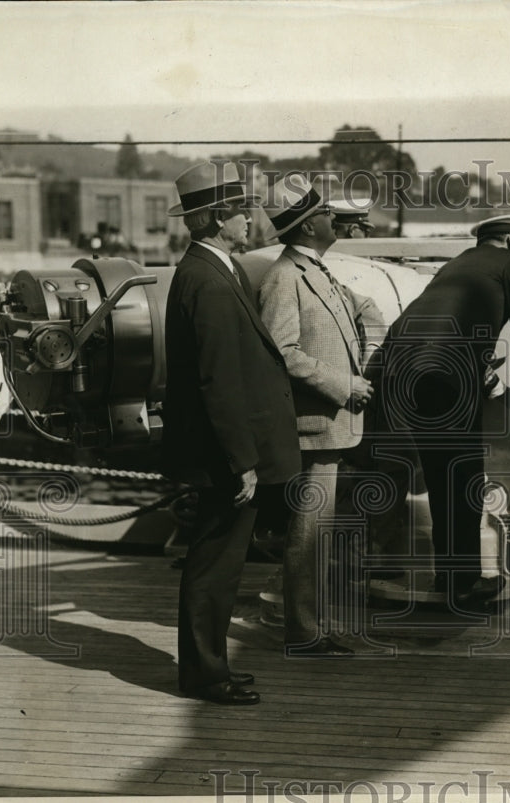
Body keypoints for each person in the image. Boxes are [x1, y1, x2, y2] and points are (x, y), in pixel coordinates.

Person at [379, 214, 510, 609]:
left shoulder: (457, 264)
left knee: (442, 483)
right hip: (447, 379)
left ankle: (449, 577)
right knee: (465, 481)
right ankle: (465, 585)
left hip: (405, 375)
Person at [163, 162, 301, 703]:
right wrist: (242, 461)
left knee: (218, 565)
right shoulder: (210, 281)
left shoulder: (211, 271)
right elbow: (218, 381)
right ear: (220, 217)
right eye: (242, 210)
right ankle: (205, 675)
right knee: (214, 567)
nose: (251, 218)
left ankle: (209, 666)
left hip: (222, 452)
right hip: (225, 458)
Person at [259, 174, 385, 656]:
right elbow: (282, 352)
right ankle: (304, 631)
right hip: (316, 426)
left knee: (319, 533)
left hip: (335, 426)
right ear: (310, 226)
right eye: (329, 214)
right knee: (308, 535)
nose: (337, 219)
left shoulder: (317, 271)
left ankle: (313, 625)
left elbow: (365, 309)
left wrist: (368, 350)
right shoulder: (285, 277)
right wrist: (344, 384)